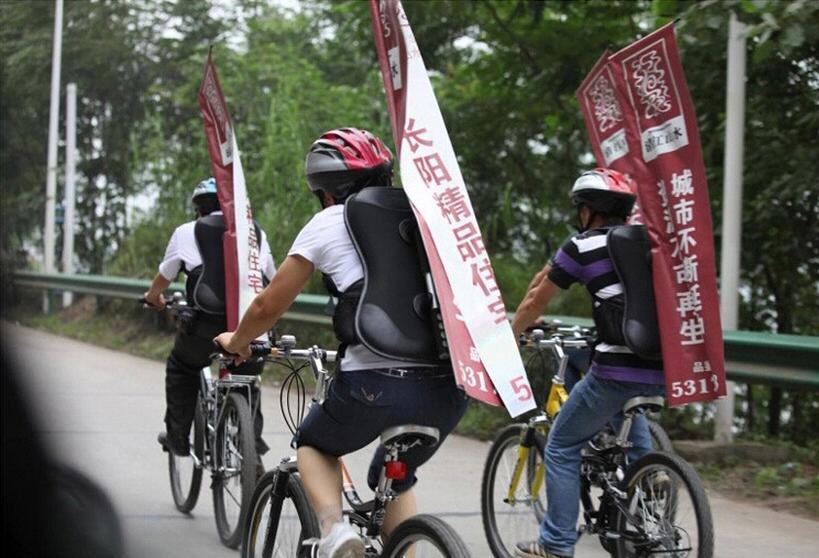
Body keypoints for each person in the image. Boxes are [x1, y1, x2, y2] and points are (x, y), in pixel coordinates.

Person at [214, 128, 468, 558]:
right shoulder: (429, 216)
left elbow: (267, 306)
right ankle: (405, 548)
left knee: (314, 444)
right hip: (450, 389)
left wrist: (237, 340)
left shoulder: (330, 222)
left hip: (374, 382)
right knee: (395, 474)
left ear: (326, 192)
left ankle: (335, 532)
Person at [510, 168, 665, 558]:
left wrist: (512, 334)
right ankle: (649, 472)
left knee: (562, 445)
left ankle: (556, 544)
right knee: (611, 389)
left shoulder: (583, 245)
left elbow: (536, 299)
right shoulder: (649, 242)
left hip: (617, 367)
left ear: (588, 210)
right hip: (662, 365)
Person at [143, 178, 276, 467]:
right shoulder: (256, 235)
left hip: (205, 328)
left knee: (182, 366)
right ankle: (249, 441)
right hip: (250, 329)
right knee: (246, 378)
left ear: (199, 208)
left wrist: (154, 296)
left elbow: (163, 278)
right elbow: (272, 280)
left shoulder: (187, 231)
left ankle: (178, 436)